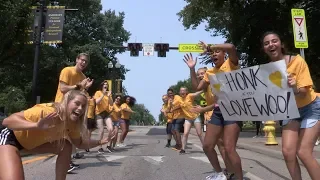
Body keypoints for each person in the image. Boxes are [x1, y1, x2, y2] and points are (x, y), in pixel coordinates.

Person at [0, 90, 111, 180]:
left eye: (83, 106)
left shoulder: (72, 124)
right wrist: (35, 125)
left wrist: (100, 142)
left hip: (29, 145)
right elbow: (7, 121)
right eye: (77, 104)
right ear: (67, 102)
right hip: (11, 138)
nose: (80, 109)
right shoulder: (47, 112)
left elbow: (80, 143)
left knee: (66, 145)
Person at [262, 31, 320, 180]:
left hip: (310, 107)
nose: (271, 45)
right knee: (288, 152)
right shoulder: (266, 70)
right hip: (290, 111)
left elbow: (304, 93)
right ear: (264, 49)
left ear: (281, 44)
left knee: (303, 152)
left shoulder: (297, 61)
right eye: (266, 43)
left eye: (274, 41)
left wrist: (294, 87)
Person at [184, 41, 243, 180]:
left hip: (233, 109)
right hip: (218, 111)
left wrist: (211, 47)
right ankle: (220, 173)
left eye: (217, 52)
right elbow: (196, 88)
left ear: (224, 54)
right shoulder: (210, 72)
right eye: (212, 53)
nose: (214, 54)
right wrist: (192, 69)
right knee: (207, 146)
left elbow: (232, 47)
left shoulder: (231, 64)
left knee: (229, 149)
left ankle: (239, 178)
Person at [54, 52, 94, 172]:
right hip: (61, 106)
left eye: (86, 62)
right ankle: (66, 163)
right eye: (82, 60)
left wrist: (85, 88)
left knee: (69, 137)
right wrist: (78, 86)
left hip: (73, 109)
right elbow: (63, 88)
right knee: (65, 137)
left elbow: (79, 94)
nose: (83, 63)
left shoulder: (83, 77)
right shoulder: (67, 71)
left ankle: (67, 162)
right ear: (76, 59)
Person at [177, 87, 204, 155]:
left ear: (186, 92)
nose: (182, 92)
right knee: (185, 133)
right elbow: (174, 105)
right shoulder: (179, 99)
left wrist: (203, 90)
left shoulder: (189, 96)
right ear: (179, 92)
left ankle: (205, 147)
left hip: (195, 117)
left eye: (184, 90)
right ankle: (183, 149)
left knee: (199, 133)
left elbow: (196, 94)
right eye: (181, 91)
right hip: (187, 119)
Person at [94, 81, 113, 153]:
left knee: (111, 129)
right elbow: (96, 102)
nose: (106, 86)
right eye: (104, 85)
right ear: (101, 86)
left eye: (107, 85)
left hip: (106, 113)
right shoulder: (98, 92)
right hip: (99, 113)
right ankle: (100, 147)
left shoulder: (108, 94)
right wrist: (103, 94)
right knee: (101, 130)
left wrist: (108, 96)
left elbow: (111, 104)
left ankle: (108, 145)